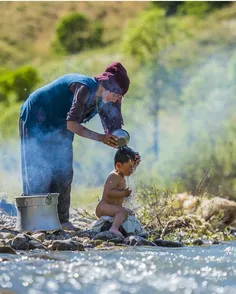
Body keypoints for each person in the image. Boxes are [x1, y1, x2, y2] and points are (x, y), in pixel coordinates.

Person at [19, 62, 130, 230]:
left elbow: (116, 134)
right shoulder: (85, 88)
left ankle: (61, 220)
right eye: (116, 94)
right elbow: (72, 124)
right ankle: (34, 222)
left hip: (60, 125)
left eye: (119, 96)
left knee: (64, 170)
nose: (116, 99)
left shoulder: (105, 99)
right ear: (108, 85)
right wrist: (100, 138)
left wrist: (129, 155)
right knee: (39, 168)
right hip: (38, 115)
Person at [95, 146, 140, 238]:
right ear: (118, 165)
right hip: (104, 207)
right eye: (130, 167)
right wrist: (124, 193)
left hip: (112, 207)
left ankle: (126, 229)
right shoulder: (114, 176)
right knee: (122, 212)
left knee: (130, 213)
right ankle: (114, 228)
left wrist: (136, 163)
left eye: (133, 166)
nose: (132, 169)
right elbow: (109, 192)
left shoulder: (122, 173)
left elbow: (130, 167)